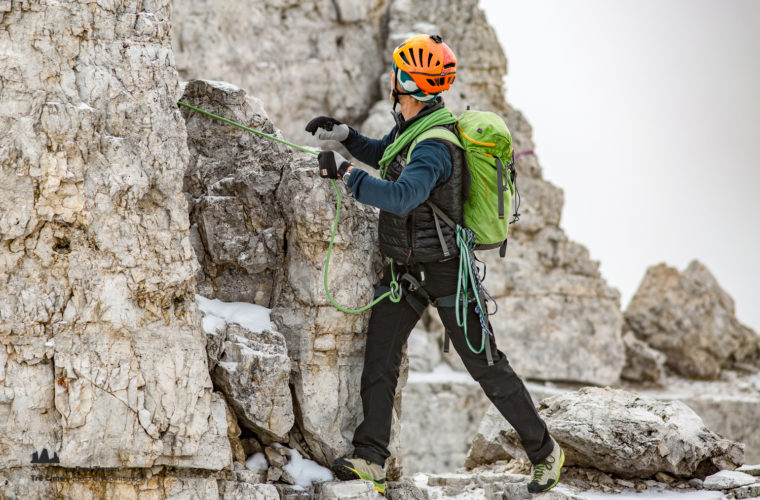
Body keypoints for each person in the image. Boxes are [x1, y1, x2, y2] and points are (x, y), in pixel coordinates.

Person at [306, 34, 564, 495]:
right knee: (379, 361)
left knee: (487, 367)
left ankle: (545, 452)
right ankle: (371, 459)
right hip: (406, 270)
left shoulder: (434, 146)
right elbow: (386, 155)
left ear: (404, 83)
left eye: (397, 74)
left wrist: (344, 174)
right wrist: (347, 138)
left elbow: (402, 196)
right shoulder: (416, 126)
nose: (393, 81)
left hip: (447, 273)